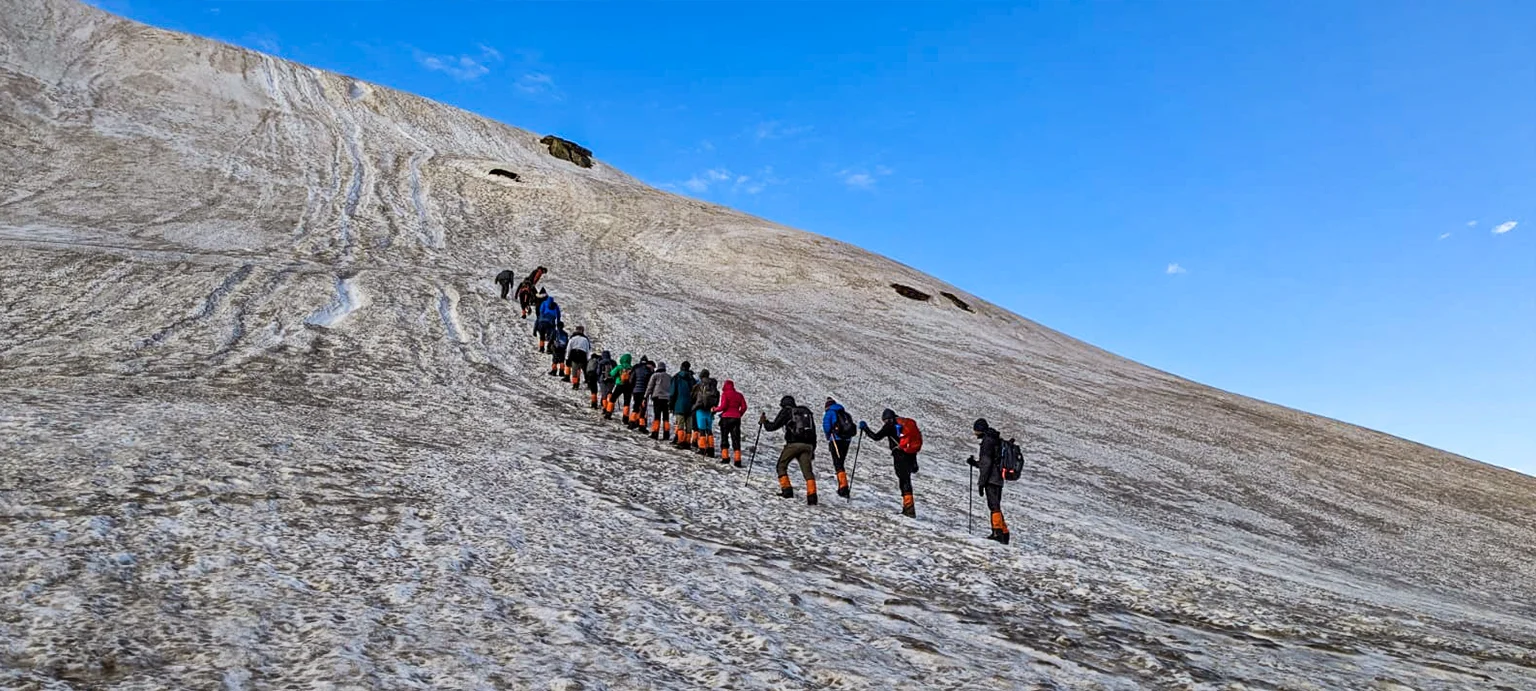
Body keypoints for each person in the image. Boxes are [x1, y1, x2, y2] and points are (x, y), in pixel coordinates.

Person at [859, 409, 920, 518]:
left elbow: (876, 437)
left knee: (904, 481)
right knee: (907, 480)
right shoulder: (904, 423)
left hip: (900, 455)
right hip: (911, 454)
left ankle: (909, 509)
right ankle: (908, 508)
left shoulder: (890, 425)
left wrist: (865, 428)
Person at [760, 396, 819, 505]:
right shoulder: (806, 413)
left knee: (781, 466)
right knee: (808, 472)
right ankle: (812, 497)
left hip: (793, 444)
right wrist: (813, 449)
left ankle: (787, 491)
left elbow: (772, 427)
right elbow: (814, 432)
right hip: (808, 446)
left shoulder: (787, 411)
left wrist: (765, 422)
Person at [967, 418, 1011, 545]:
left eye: (975, 430)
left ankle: (997, 532)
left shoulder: (987, 442)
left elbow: (986, 464)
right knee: (996, 504)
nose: (975, 433)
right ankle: (1004, 532)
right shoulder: (995, 440)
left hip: (991, 479)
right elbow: (989, 462)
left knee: (993, 505)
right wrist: (975, 463)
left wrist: (981, 483)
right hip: (999, 479)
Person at [822, 398, 858, 498]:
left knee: (838, 463)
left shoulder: (830, 413)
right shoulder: (846, 414)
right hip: (846, 440)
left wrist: (828, 435)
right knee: (841, 462)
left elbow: (826, 426)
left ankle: (843, 488)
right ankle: (843, 486)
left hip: (836, 439)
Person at [713, 380, 748, 466]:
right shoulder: (739, 395)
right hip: (736, 419)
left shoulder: (725, 394)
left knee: (724, 437)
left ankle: (725, 458)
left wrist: (715, 409)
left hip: (726, 419)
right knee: (736, 439)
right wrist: (739, 414)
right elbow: (744, 407)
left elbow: (723, 406)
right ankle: (737, 460)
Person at [691, 369, 720, 457]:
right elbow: (717, 398)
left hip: (700, 409)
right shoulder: (713, 385)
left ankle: (702, 448)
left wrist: (694, 406)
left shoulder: (699, 385)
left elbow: (693, 396)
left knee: (701, 429)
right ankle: (711, 449)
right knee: (709, 430)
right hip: (710, 411)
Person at [669, 362, 697, 449]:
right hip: (690, 405)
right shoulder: (692, 379)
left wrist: (671, 404)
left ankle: (680, 441)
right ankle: (687, 442)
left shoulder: (677, 377)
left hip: (679, 404)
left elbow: (673, 392)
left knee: (680, 424)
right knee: (689, 425)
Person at [643, 362, 673, 440]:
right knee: (666, 418)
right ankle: (666, 434)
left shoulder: (655, 375)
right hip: (667, 399)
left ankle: (655, 433)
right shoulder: (669, 377)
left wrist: (645, 396)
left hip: (657, 398)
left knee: (657, 416)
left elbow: (650, 386)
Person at [605, 353, 634, 421]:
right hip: (628, 387)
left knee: (613, 399)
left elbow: (612, 373)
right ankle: (625, 418)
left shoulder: (619, 367)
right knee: (627, 402)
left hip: (620, 385)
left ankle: (608, 413)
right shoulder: (632, 368)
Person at [628, 357, 654, 431]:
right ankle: (641, 425)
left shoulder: (636, 368)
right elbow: (650, 382)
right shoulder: (648, 370)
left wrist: (632, 388)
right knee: (643, 408)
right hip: (644, 392)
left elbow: (631, 380)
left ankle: (631, 422)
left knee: (636, 406)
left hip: (636, 391)